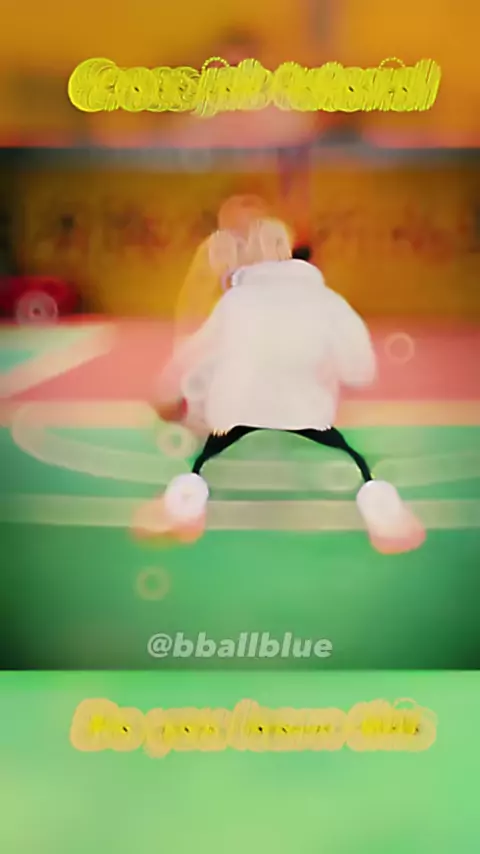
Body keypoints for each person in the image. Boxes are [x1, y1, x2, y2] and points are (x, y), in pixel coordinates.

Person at [134, 218, 425, 555]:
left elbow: (195, 357)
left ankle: (183, 504)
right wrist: (328, 374)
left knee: (203, 462)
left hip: (234, 419)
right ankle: (381, 508)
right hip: (307, 418)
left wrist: (172, 392)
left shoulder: (235, 302)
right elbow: (361, 371)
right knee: (358, 462)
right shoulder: (329, 303)